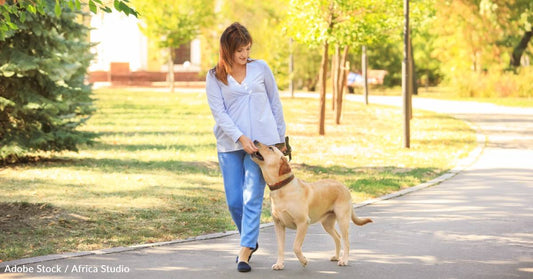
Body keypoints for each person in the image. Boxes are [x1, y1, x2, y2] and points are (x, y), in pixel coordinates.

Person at [205, 22, 287, 273]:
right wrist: (241, 138)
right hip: (230, 144)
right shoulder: (214, 76)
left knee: (252, 197)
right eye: (239, 50)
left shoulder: (260, 68)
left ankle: (245, 251)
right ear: (227, 50)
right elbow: (219, 113)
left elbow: (275, 102)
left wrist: (280, 138)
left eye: (247, 49)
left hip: (262, 145)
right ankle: (249, 238)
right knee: (234, 201)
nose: (244, 55)